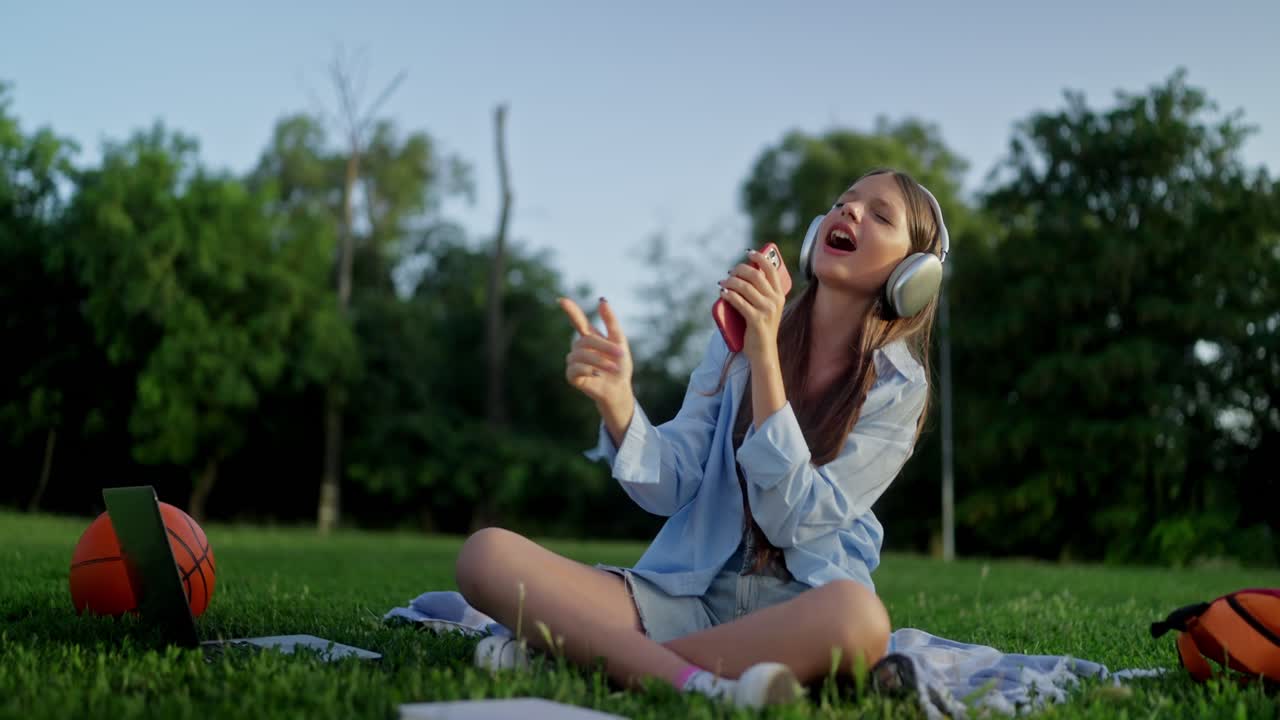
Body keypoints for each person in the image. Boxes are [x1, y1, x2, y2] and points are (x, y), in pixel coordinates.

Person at [455, 168, 948, 708]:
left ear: (914, 273)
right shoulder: (736, 336)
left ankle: (597, 661)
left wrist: (764, 355)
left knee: (860, 620)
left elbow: (789, 521)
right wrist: (620, 400)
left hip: (798, 609)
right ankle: (698, 677)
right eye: (843, 202)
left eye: (880, 215)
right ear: (815, 233)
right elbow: (672, 485)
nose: (849, 212)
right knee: (486, 557)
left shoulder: (902, 389)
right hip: (683, 599)